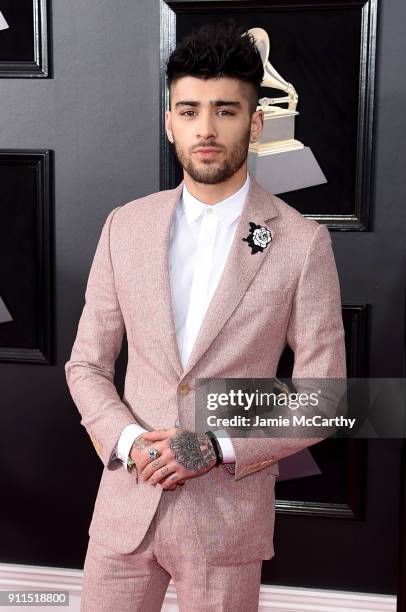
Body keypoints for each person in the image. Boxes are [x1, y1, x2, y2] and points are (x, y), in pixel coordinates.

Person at [65, 20, 346, 612]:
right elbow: (86, 364)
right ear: (170, 122)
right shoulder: (125, 225)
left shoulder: (301, 243)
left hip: (226, 521)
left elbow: (325, 398)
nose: (207, 129)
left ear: (255, 122)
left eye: (226, 110)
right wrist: (131, 438)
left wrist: (214, 445)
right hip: (125, 509)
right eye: (189, 110)